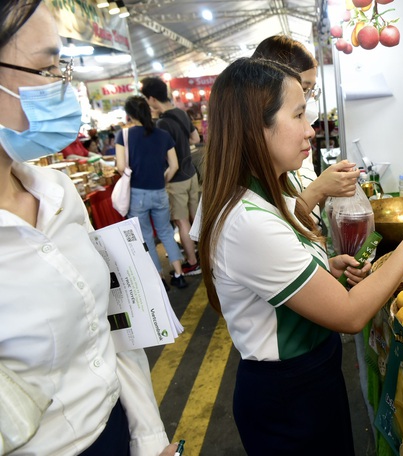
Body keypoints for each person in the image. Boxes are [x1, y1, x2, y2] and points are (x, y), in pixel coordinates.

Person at [197, 57, 403, 454]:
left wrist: (325, 270)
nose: (310, 129)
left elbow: (283, 278)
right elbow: (350, 316)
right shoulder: (247, 220)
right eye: (299, 114)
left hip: (309, 377)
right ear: (256, 127)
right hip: (288, 395)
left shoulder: (271, 195)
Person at [0, 1, 178, 454]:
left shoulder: (57, 193)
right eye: (47, 68)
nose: (64, 87)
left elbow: (109, 329)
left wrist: (150, 434)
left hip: (116, 428)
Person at [251, 35, 360, 228]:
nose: (310, 133)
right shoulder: (260, 163)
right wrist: (319, 189)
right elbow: (274, 225)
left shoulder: (294, 141)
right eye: (304, 89)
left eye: (311, 90)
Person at [116, 96, 187, 290]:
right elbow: (174, 165)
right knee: (165, 232)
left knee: (146, 236)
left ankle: (159, 279)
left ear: (129, 115)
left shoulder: (124, 135)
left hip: (137, 194)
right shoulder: (162, 135)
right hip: (160, 191)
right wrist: (162, 179)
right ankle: (179, 274)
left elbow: (121, 166)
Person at [140, 76, 201, 276]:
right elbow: (195, 138)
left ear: (152, 99)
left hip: (176, 180)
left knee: (182, 222)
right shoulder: (181, 113)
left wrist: (163, 179)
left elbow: (165, 160)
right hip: (191, 174)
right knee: (196, 218)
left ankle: (192, 262)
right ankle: (202, 254)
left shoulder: (162, 124)